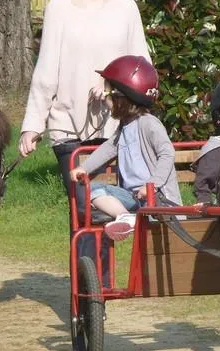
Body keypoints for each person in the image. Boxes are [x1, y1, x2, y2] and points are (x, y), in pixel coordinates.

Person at [17, 0, 151, 271]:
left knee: (106, 208)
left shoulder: (126, 7)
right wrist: (33, 125)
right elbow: (46, 69)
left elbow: (142, 66)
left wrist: (110, 87)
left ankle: (99, 290)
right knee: (83, 209)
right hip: (68, 128)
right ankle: (87, 293)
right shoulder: (59, 8)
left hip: (114, 129)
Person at [70, 55, 181, 241]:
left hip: (157, 198)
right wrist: (85, 168)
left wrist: (152, 185)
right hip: (132, 196)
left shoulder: (148, 124)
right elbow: (108, 148)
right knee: (94, 190)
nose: (104, 98)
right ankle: (125, 217)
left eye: (107, 93)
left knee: (154, 243)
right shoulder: (124, 126)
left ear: (123, 97)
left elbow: (167, 153)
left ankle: (129, 217)